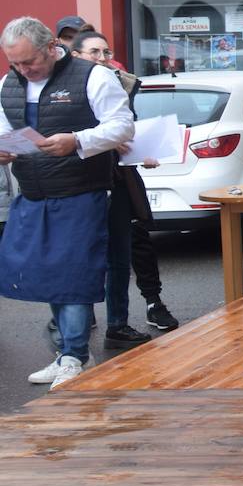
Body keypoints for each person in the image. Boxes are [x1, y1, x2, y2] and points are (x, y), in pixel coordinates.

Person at [0, 17, 134, 389]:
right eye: (16, 64)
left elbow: (123, 126)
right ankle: (69, 354)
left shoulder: (93, 76)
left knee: (73, 274)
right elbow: (6, 130)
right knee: (47, 276)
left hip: (81, 190)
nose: (24, 70)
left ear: (50, 47)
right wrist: (4, 148)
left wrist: (76, 140)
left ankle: (74, 356)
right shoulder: (8, 84)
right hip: (34, 192)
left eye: (30, 62)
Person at [71, 31, 179, 342]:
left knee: (133, 244)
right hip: (84, 181)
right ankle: (80, 317)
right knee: (86, 251)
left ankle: (144, 308)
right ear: (75, 54)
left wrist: (142, 153)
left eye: (106, 51)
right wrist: (103, 140)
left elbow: (128, 129)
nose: (102, 58)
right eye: (94, 52)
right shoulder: (65, 87)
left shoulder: (120, 82)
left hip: (120, 179)